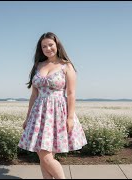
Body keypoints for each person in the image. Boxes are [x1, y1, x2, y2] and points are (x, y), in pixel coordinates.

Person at [18, 32, 87, 179]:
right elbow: (34, 95)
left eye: (50, 45)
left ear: (57, 45)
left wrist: (69, 118)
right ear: (40, 49)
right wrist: (28, 117)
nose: (48, 48)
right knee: (43, 157)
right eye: (44, 46)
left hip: (58, 112)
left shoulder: (66, 65)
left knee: (47, 157)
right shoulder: (38, 65)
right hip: (39, 114)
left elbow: (71, 93)